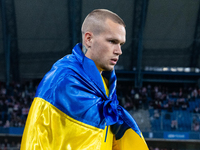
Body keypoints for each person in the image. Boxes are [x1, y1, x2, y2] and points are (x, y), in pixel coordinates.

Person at [20, 9, 148, 150]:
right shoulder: (59, 81)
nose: (119, 51)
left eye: (121, 44)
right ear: (88, 39)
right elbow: (34, 140)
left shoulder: (106, 88)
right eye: (112, 41)